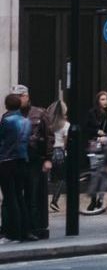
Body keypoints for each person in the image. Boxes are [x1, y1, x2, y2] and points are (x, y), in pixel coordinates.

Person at [12, 84, 53, 241]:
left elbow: (49, 136)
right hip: (17, 160)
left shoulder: (40, 113)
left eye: (21, 96)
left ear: (27, 96)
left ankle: (34, 228)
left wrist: (48, 158)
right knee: (16, 196)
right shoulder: (10, 115)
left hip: (34, 159)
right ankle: (20, 228)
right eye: (15, 96)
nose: (19, 99)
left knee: (32, 195)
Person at [0, 94, 29, 243]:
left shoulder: (6, 120)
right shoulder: (26, 121)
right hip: (22, 160)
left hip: (6, 161)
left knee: (10, 198)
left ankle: (13, 234)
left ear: (6, 105)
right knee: (19, 196)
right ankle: (24, 231)